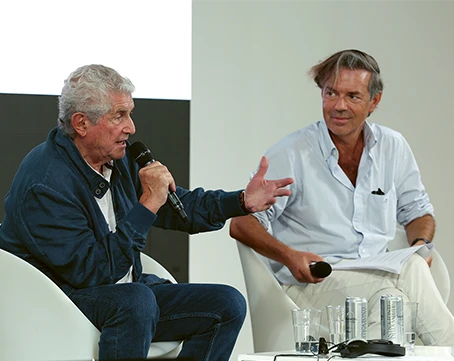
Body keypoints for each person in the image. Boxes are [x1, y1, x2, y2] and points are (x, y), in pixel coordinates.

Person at [0, 64, 294, 361]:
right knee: (136, 302)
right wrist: (147, 205)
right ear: (81, 123)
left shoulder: (117, 158)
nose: (131, 127)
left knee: (226, 304)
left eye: (130, 113)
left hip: (124, 294)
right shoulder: (46, 183)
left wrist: (242, 201)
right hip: (59, 298)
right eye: (119, 115)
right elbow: (93, 272)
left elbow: (180, 207)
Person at [230, 49, 454, 345]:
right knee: (408, 271)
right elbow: (241, 222)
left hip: (377, 280)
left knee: (392, 296)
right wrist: (290, 255)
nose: (338, 106)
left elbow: (417, 212)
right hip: (311, 287)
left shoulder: (392, 147)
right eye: (330, 93)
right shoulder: (293, 152)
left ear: (374, 101)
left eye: (352, 96)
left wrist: (421, 244)